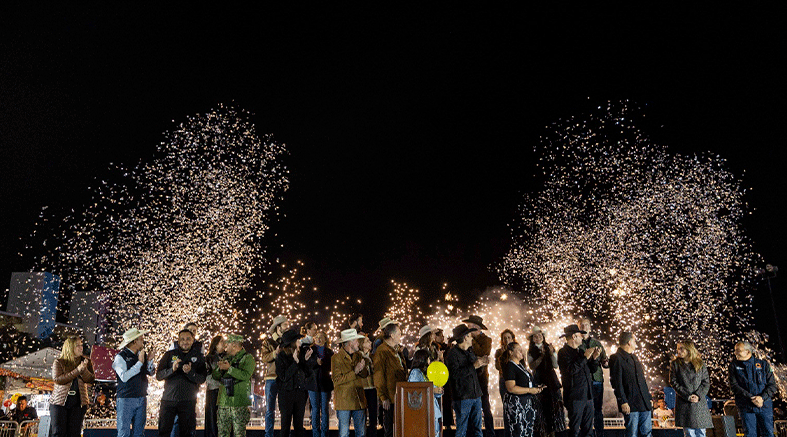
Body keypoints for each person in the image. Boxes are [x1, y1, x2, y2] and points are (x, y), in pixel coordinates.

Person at [156, 329, 207, 437]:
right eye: (182, 339)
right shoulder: (169, 355)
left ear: (193, 340)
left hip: (188, 401)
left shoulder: (199, 357)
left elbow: (202, 379)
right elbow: (159, 376)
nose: (185, 342)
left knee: (187, 433)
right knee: (164, 432)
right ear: (178, 341)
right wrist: (172, 369)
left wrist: (190, 372)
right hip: (168, 401)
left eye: (188, 339)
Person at [557, 324, 600, 437]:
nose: (582, 337)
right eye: (580, 335)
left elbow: (592, 370)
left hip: (588, 395)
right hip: (575, 397)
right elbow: (571, 370)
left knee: (588, 431)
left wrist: (594, 358)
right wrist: (585, 357)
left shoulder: (580, 351)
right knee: (574, 430)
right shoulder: (563, 352)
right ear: (574, 336)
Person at [728, 341, 778, 437]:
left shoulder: (763, 364)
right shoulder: (733, 366)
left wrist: (762, 398)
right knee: (749, 434)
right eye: (735, 350)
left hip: (764, 405)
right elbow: (734, 386)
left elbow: (772, 385)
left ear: (748, 352)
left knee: (768, 433)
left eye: (738, 351)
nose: (735, 353)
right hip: (745, 405)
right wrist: (752, 398)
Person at [113, 328, 156, 437]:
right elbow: (124, 377)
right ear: (134, 341)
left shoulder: (142, 355)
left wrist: (149, 361)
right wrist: (139, 363)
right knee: (124, 433)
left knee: (139, 433)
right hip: (126, 398)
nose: (143, 341)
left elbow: (150, 373)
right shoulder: (120, 357)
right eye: (141, 339)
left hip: (141, 397)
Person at [50, 336, 95, 437]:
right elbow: (58, 380)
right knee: (58, 432)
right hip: (59, 403)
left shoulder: (86, 361)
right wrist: (77, 370)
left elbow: (90, 380)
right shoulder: (59, 362)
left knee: (74, 433)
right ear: (70, 347)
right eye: (77, 346)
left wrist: (84, 370)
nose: (81, 348)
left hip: (78, 402)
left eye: (81, 345)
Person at [609, 332, 652, 437]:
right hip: (631, 402)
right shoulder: (616, 358)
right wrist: (623, 401)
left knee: (647, 433)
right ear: (629, 342)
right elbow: (616, 383)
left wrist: (648, 397)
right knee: (632, 433)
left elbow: (642, 380)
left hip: (643, 402)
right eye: (634, 340)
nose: (636, 343)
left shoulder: (634, 357)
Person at [445, 324, 484, 437]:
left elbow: (476, 371)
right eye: (470, 336)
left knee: (478, 430)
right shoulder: (452, 354)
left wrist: (481, 364)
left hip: (476, 394)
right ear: (465, 337)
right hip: (462, 397)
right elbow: (454, 374)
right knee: (461, 430)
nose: (472, 338)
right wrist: (474, 366)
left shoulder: (469, 351)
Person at [214, 334, 256, 437]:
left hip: (239, 402)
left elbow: (246, 375)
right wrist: (219, 368)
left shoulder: (248, 358)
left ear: (233, 345)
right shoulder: (226, 358)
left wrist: (230, 369)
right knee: (222, 433)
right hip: (224, 401)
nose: (225, 346)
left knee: (239, 434)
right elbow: (215, 376)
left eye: (227, 344)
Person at [528, 326, 565, 437]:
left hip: (551, 380)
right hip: (539, 379)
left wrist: (552, 353)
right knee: (541, 409)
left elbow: (555, 365)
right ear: (532, 339)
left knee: (553, 408)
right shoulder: (530, 351)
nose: (538, 337)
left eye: (540, 335)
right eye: (535, 336)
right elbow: (532, 366)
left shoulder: (549, 347)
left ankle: (552, 433)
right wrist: (541, 356)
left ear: (543, 336)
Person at [277, 328, 314, 437]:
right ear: (292, 343)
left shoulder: (300, 354)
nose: (300, 342)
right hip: (286, 394)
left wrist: (306, 361)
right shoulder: (281, 356)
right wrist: (295, 362)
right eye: (297, 340)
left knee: (299, 426)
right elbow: (284, 377)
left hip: (300, 394)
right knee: (285, 426)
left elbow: (307, 374)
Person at [669, 340, 711, 437]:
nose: (679, 351)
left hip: (699, 403)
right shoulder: (675, 364)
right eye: (678, 349)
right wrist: (687, 396)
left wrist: (698, 395)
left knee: (701, 433)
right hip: (684, 403)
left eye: (681, 349)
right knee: (689, 433)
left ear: (689, 349)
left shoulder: (700, 363)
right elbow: (673, 382)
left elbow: (705, 382)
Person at [373, 319, 407, 437]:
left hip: (398, 395)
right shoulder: (382, 351)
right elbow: (378, 375)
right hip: (390, 397)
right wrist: (383, 397)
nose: (400, 336)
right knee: (390, 430)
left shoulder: (395, 350)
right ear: (392, 335)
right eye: (399, 334)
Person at [332, 329, 369, 437]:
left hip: (359, 400)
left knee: (361, 433)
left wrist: (362, 369)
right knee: (344, 434)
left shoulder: (359, 355)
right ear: (350, 342)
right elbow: (337, 380)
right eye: (356, 341)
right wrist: (355, 371)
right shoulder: (336, 358)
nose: (358, 343)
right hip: (344, 402)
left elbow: (365, 374)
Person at [502, 342, 544, 437]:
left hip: (526, 404)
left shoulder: (520, 365)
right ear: (511, 352)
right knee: (517, 431)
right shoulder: (509, 366)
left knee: (527, 431)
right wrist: (529, 390)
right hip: (516, 405)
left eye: (521, 349)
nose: (522, 352)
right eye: (518, 350)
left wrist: (535, 387)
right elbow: (511, 388)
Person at [463, 315, 494, 437]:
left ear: (477, 328)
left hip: (481, 379)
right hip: (469, 377)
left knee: (485, 406)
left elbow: (482, 352)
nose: (468, 330)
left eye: (470, 327)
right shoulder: (466, 340)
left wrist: (471, 340)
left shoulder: (486, 340)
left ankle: (490, 433)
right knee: (470, 406)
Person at [577, 318, 608, 437]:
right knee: (585, 410)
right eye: (582, 325)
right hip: (584, 382)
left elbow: (605, 362)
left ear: (590, 327)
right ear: (578, 327)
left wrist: (606, 362)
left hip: (597, 381)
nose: (584, 327)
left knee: (598, 410)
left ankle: (600, 434)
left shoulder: (597, 343)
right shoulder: (577, 344)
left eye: (586, 325)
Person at [262, 315, 289, 437]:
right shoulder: (268, 342)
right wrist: (275, 353)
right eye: (285, 325)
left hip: (284, 379)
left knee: (285, 410)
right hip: (271, 378)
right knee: (269, 410)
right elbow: (264, 358)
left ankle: (284, 434)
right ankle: (268, 435)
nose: (287, 327)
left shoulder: (288, 341)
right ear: (278, 327)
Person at [408, 349, 444, 437]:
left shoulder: (425, 373)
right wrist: (433, 390)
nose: (429, 361)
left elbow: (434, 390)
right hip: (424, 411)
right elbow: (415, 391)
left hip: (432, 410)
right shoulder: (415, 373)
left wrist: (439, 391)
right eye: (428, 359)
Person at [307, 331, 334, 437]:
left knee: (325, 409)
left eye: (321, 337)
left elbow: (332, 366)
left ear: (325, 339)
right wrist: (315, 362)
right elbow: (306, 364)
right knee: (315, 409)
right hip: (313, 384)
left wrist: (323, 363)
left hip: (325, 383)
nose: (318, 339)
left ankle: (324, 434)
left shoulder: (329, 352)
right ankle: (315, 434)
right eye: (317, 337)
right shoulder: (310, 350)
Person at [495, 329, 517, 437]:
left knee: (516, 407)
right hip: (504, 381)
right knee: (506, 407)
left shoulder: (517, 350)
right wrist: (503, 354)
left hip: (516, 381)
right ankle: (508, 432)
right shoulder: (499, 352)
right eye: (504, 338)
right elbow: (498, 367)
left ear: (512, 339)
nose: (507, 340)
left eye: (509, 337)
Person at [205, 335, 226, 437]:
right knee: (213, 416)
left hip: (225, 391)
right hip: (213, 390)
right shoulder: (209, 358)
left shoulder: (228, 357)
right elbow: (207, 375)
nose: (224, 343)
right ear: (216, 344)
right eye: (222, 341)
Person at [359, 335, 378, 437]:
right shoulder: (358, 357)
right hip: (362, 388)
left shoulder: (372, 356)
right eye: (367, 341)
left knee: (373, 414)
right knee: (362, 414)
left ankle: (372, 433)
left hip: (372, 388)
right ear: (362, 344)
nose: (370, 342)